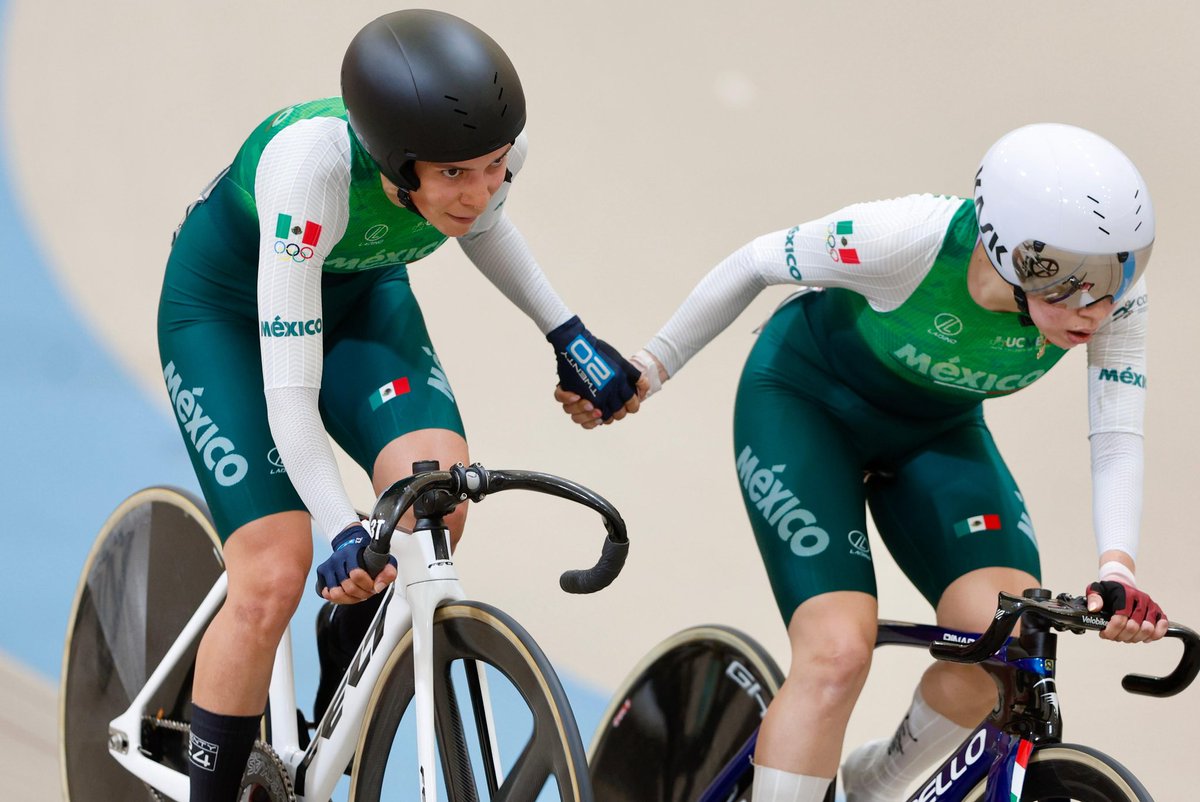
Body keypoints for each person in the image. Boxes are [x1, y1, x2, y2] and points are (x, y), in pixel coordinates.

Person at [557, 123, 1168, 801]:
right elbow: (757, 261)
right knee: (837, 654)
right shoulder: (907, 238)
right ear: (1006, 250)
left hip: (936, 430)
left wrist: (1117, 570)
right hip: (805, 403)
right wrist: (649, 367)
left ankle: (874, 786)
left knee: (1005, 645)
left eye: (1116, 274)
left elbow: (1117, 432)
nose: (1097, 307)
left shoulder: (1118, 299)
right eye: (1071, 283)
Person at [157, 10, 642, 800]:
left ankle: (332, 712)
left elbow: (486, 228)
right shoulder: (309, 172)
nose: (480, 191)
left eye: (494, 166)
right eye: (454, 175)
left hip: (360, 297)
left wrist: (568, 335)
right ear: (394, 162)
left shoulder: (488, 155)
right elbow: (290, 397)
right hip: (229, 319)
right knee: (273, 573)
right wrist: (342, 527)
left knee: (437, 502)